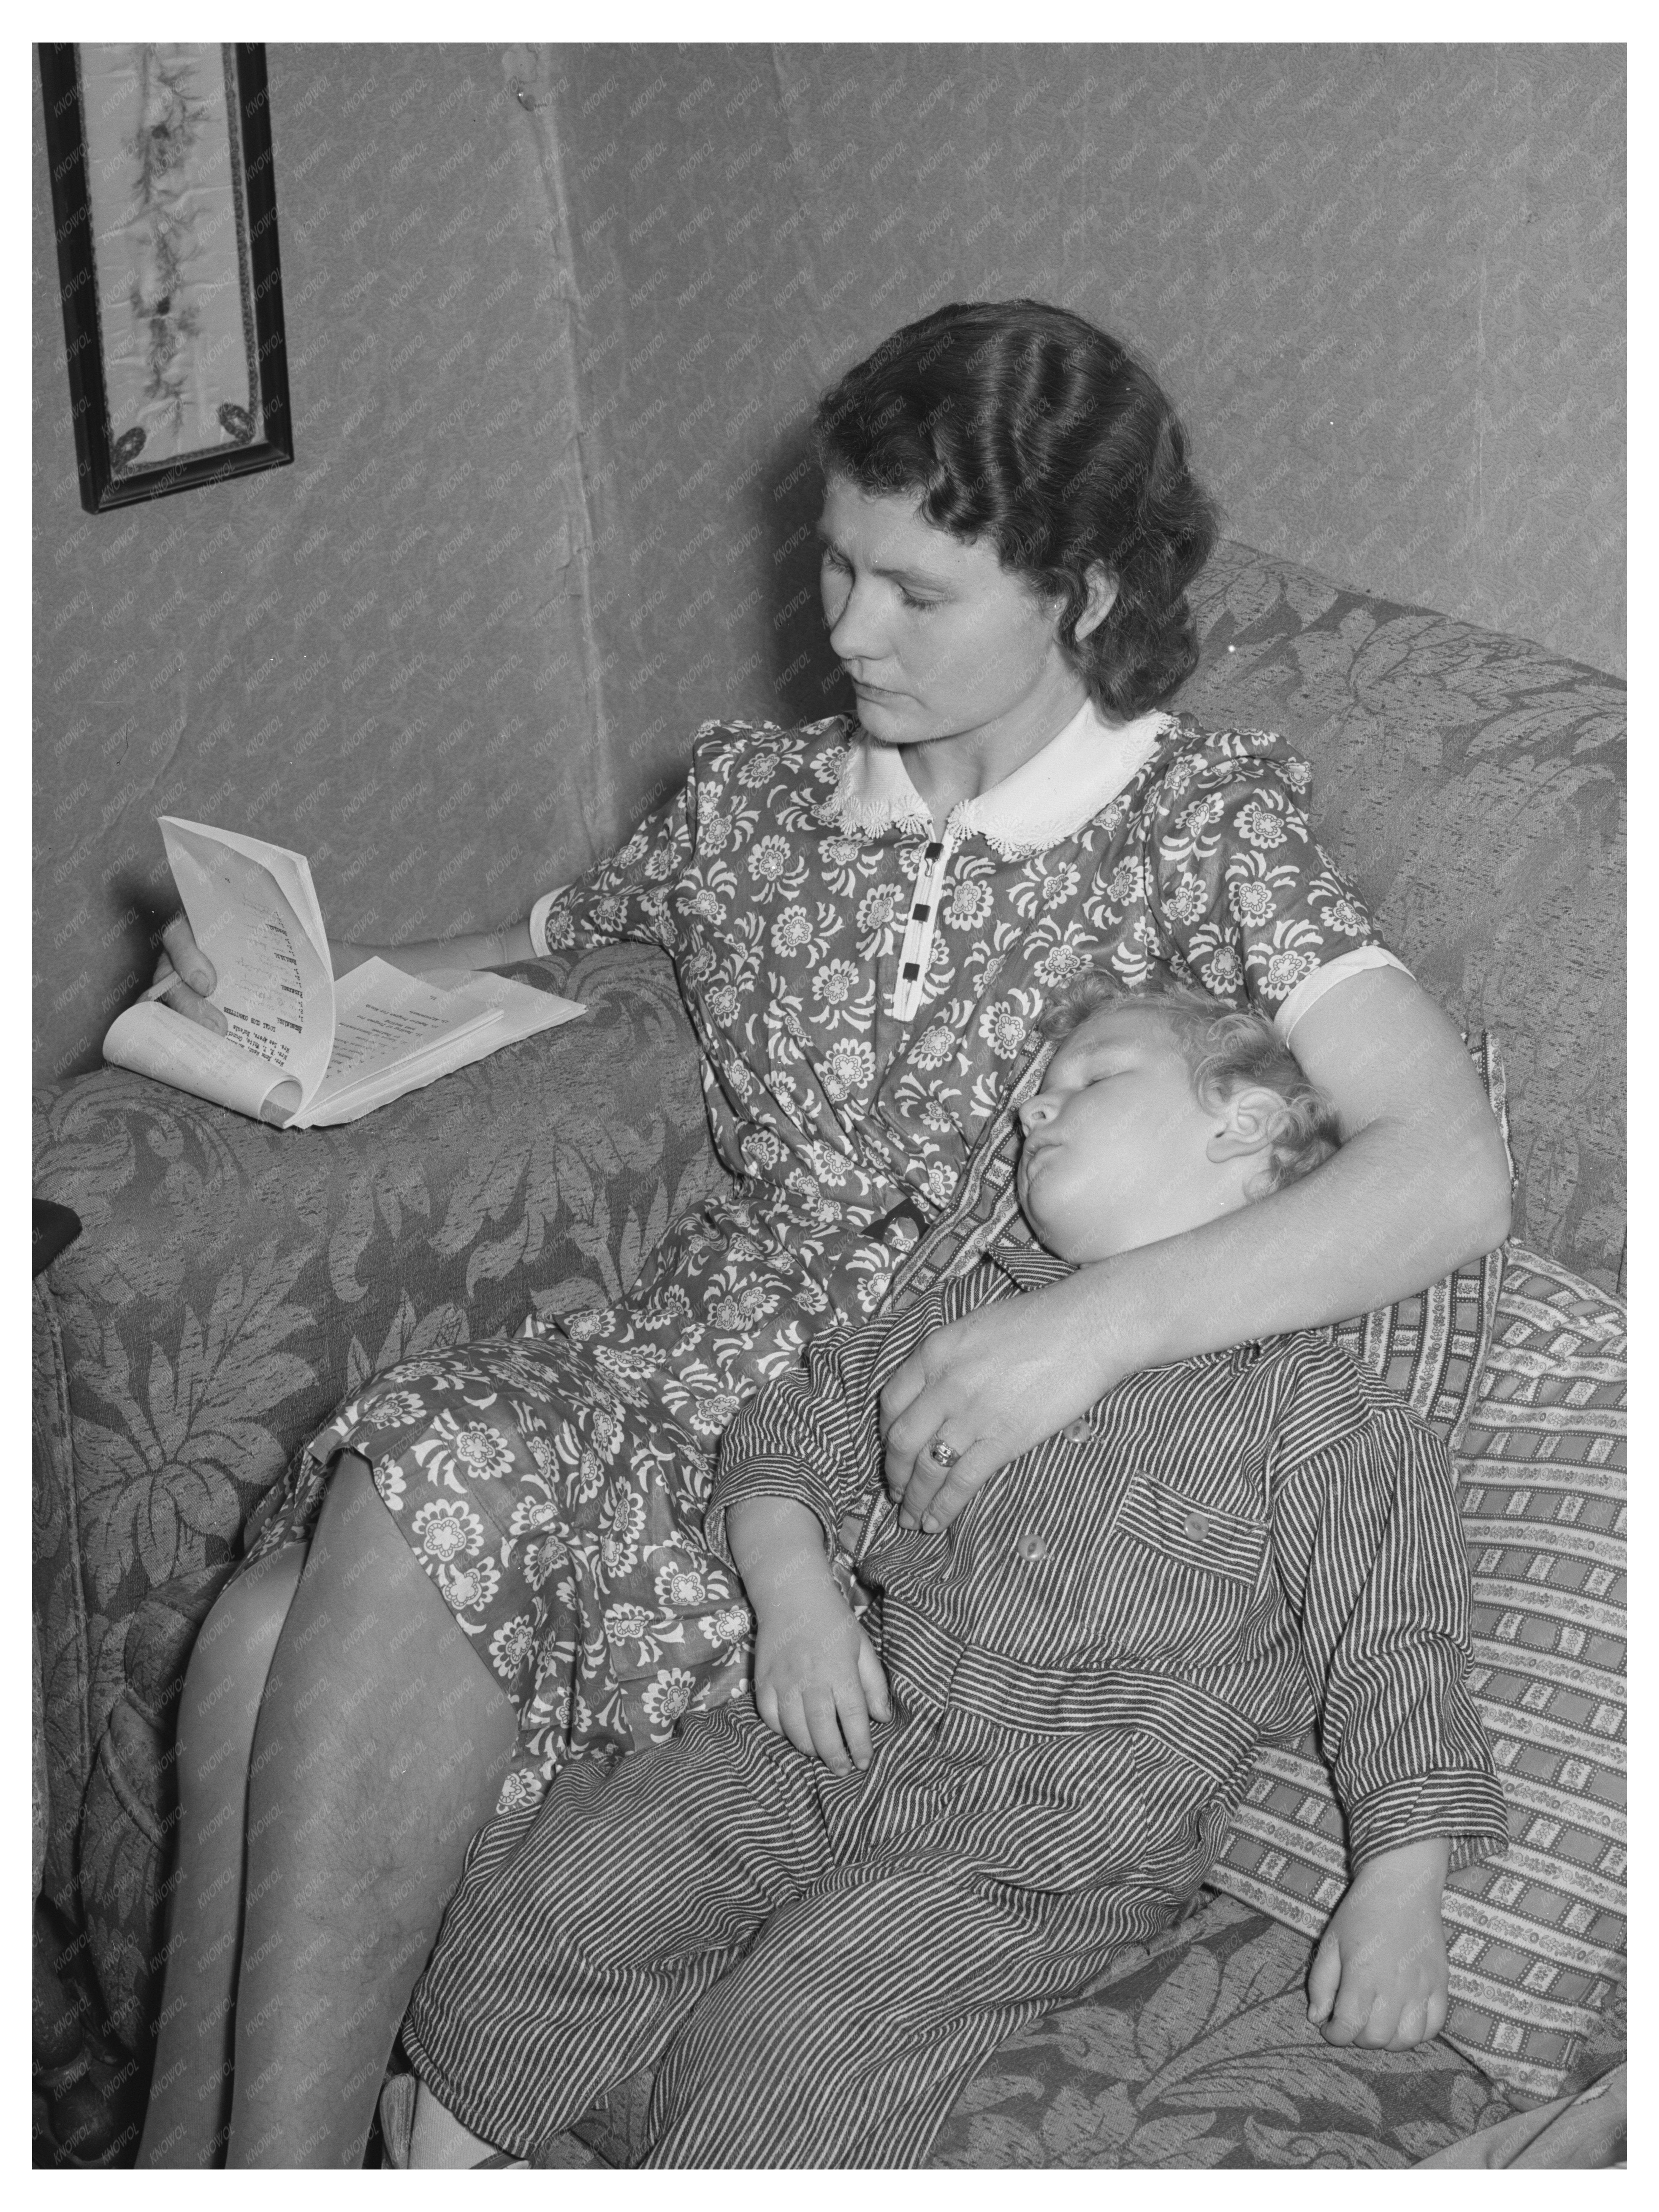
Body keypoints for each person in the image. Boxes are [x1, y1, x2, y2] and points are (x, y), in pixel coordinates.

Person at [136, 298, 1512, 2169]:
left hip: (906, 1494)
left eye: (918, 593)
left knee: (296, 1615)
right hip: (694, 1389)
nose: (849, 630)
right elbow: (545, 939)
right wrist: (284, 994)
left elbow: (1448, 1168)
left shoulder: (1205, 833)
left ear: (1087, 591)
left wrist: (1087, 1329)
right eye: (836, 565)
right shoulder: (758, 803)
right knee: (297, 1590)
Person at [391, 978, 1510, 2169]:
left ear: (1240, 1122)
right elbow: (781, 1446)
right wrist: (798, 1606)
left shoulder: (1322, 1412)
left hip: (1059, 1823)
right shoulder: (959, 1318)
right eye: (1037, 1089)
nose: (1033, 1106)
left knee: (807, 2028)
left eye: (1090, 1079)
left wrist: (1400, 1886)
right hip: (852, 1715)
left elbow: (1395, 1645)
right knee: (584, 1876)